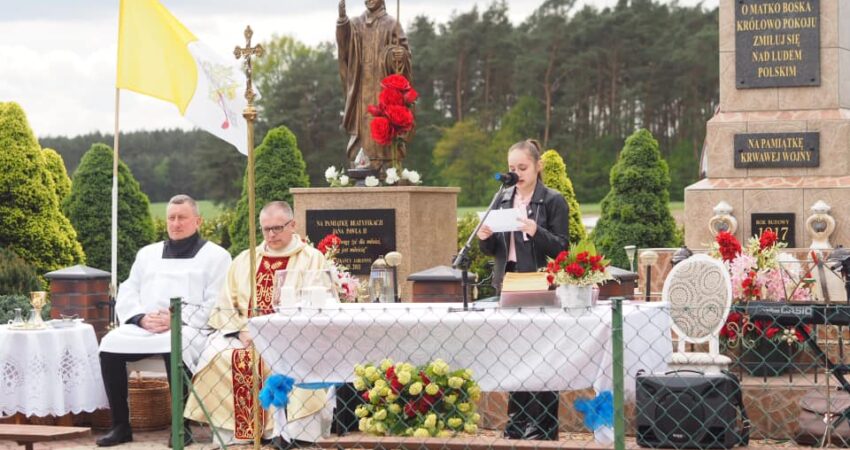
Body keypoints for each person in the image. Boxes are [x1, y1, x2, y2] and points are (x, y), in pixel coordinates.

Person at [185, 201, 331, 448]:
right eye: (266, 229)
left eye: (277, 228)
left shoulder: (312, 258)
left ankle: (292, 434)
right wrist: (243, 330)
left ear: (293, 225)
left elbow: (320, 298)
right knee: (220, 357)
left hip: (294, 337)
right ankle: (238, 434)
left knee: (295, 362)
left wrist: (281, 332)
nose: (271, 234)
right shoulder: (246, 259)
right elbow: (225, 303)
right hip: (246, 336)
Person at [96, 194, 232, 447]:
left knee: (175, 345)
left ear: (198, 220)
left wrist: (176, 321)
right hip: (147, 326)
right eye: (171, 218)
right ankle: (120, 425)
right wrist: (139, 318)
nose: (176, 223)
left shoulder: (217, 256)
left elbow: (216, 301)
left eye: (182, 218)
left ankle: (181, 427)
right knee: (109, 345)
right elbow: (128, 290)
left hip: (190, 327)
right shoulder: (147, 254)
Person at [477, 139, 569, 441]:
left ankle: (542, 424)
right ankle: (517, 420)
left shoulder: (552, 200)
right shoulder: (502, 199)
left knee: (542, 353)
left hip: (539, 282)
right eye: (512, 168)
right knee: (514, 354)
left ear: (538, 166)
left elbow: (562, 248)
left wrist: (535, 230)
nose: (517, 173)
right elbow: (492, 250)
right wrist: (485, 236)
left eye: (523, 167)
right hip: (509, 282)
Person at [337, 0, 412, 169]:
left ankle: (387, 165)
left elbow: (405, 57)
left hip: (382, 88)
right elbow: (344, 48)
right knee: (364, 125)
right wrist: (342, 21)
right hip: (361, 87)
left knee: (384, 123)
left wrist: (399, 56)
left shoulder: (392, 24)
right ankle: (362, 163)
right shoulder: (355, 24)